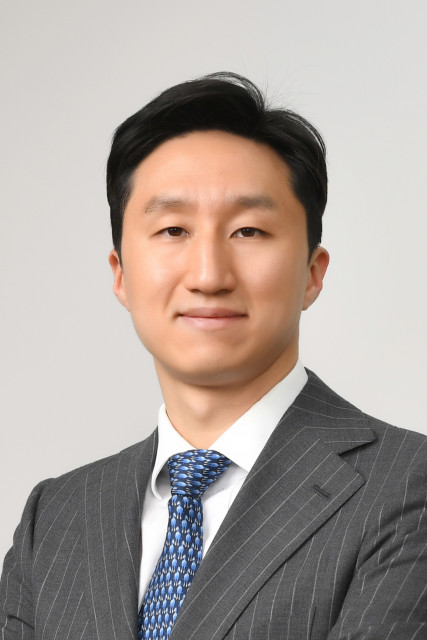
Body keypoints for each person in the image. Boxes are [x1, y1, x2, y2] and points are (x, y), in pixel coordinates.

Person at [1, 73, 426, 640]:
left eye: (248, 231)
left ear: (312, 273)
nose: (208, 275)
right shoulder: (56, 517)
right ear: (121, 274)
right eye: (173, 229)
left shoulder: (407, 488)